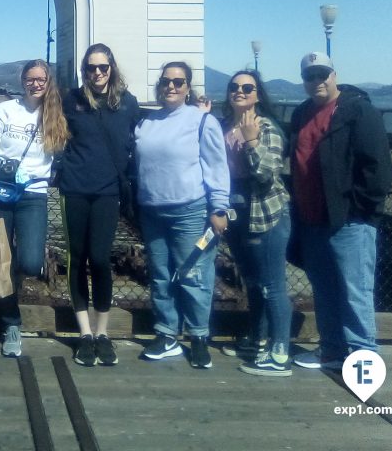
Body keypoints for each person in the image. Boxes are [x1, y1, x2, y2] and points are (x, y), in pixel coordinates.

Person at [289, 52, 392, 370]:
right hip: (311, 219)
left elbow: (377, 167)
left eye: (322, 74)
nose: (316, 80)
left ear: (334, 75)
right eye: (310, 76)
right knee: (324, 289)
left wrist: (359, 210)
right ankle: (331, 350)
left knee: (354, 289)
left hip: (349, 220)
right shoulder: (302, 113)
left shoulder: (359, 111)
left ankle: (362, 356)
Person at [0, 59, 69, 358]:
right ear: (22, 80)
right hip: (0, 192)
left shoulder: (57, 114)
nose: (35, 84)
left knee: (28, 262)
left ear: (48, 81)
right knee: (2, 261)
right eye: (30, 78)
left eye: (41, 79)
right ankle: (10, 322)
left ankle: (11, 290)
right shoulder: (5, 111)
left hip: (33, 194)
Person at [135, 61, 229, 369]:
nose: (171, 86)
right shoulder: (146, 122)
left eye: (178, 81)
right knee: (161, 276)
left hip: (190, 211)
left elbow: (216, 166)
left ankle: (199, 336)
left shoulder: (203, 121)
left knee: (194, 275)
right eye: (166, 81)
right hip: (152, 211)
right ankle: (167, 334)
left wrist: (218, 207)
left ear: (188, 87)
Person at [59, 44, 140, 367]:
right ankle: (85, 334)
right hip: (75, 190)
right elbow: (49, 129)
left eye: (102, 67)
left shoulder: (128, 104)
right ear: (84, 71)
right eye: (91, 68)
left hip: (108, 192)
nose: (97, 73)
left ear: (112, 68)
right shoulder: (71, 101)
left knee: (101, 260)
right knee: (76, 260)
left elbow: (146, 136)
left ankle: (103, 332)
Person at [218, 70, 293, 376]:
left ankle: (280, 352)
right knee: (251, 281)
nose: (240, 91)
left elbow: (266, 174)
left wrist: (251, 142)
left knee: (272, 285)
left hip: (267, 214)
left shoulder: (267, 129)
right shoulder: (224, 126)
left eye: (247, 87)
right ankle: (257, 338)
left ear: (257, 94)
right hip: (238, 215)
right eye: (234, 87)